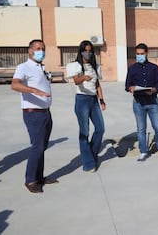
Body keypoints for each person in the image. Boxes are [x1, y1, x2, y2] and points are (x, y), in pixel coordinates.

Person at [11, 39, 59, 193]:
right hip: (33, 114)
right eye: (38, 48)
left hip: (45, 112)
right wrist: (34, 91)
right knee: (37, 147)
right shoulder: (23, 67)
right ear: (30, 50)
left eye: (43, 48)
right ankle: (30, 180)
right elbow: (15, 84)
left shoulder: (40, 68)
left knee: (42, 147)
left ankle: (39, 177)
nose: (41, 51)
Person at [66, 40, 106, 172]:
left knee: (100, 128)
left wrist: (101, 100)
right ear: (81, 51)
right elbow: (76, 81)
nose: (87, 53)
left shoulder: (95, 66)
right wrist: (84, 78)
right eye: (85, 51)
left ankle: (92, 155)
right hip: (82, 99)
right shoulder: (76, 65)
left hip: (94, 100)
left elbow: (97, 85)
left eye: (90, 51)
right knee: (84, 132)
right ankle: (88, 163)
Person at [125, 43, 158, 162]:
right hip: (138, 102)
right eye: (137, 54)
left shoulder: (154, 68)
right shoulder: (132, 68)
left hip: (152, 101)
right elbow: (127, 85)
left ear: (147, 53)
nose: (139, 56)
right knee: (141, 128)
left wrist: (154, 90)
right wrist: (131, 88)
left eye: (142, 54)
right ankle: (143, 151)